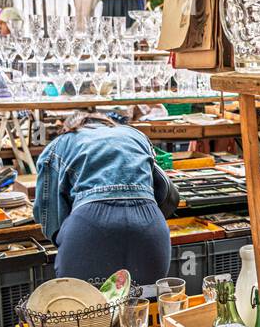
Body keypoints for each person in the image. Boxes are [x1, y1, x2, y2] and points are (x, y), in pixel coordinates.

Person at [33, 112, 179, 284]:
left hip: (88, 226)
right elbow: (164, 191)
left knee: (85, 307)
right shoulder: (134, 135)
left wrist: (69, 236)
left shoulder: (59, 145)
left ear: (68, 128)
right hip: (150, 225)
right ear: (108, 122)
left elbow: (48, 215)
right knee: (145, 304)